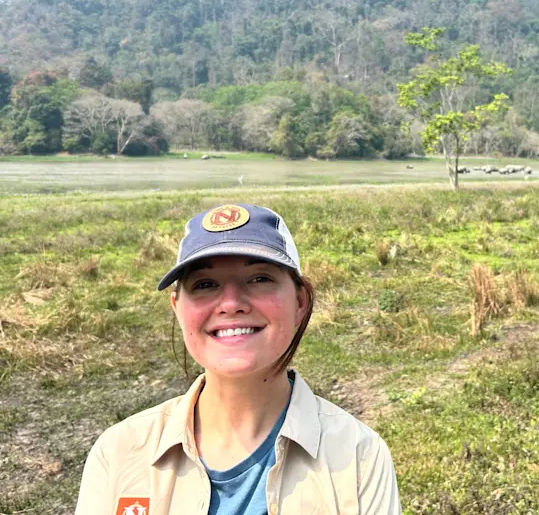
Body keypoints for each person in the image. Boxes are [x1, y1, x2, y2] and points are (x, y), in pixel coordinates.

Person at [75, 203, 401, 515]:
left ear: (299, 302)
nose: (231, 303)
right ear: (178, 309)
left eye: (259, 278)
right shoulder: (119, 452)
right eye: (205, 284)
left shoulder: (358, 456)